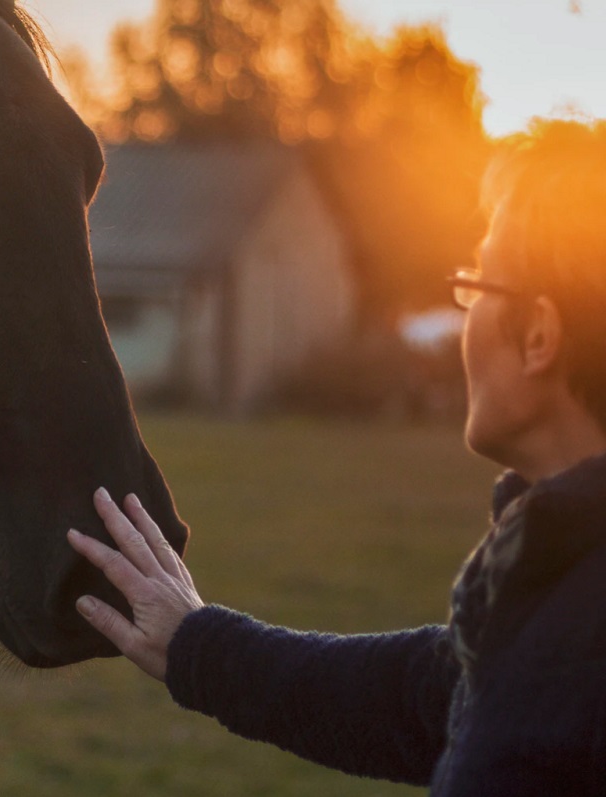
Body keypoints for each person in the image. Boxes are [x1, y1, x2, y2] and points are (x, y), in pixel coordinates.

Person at [67, 117, 606, 794]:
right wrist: (194, 643)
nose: (464, 322)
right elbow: (415, 699)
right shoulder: (550, 590)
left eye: (477, 289)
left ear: (536, 335)